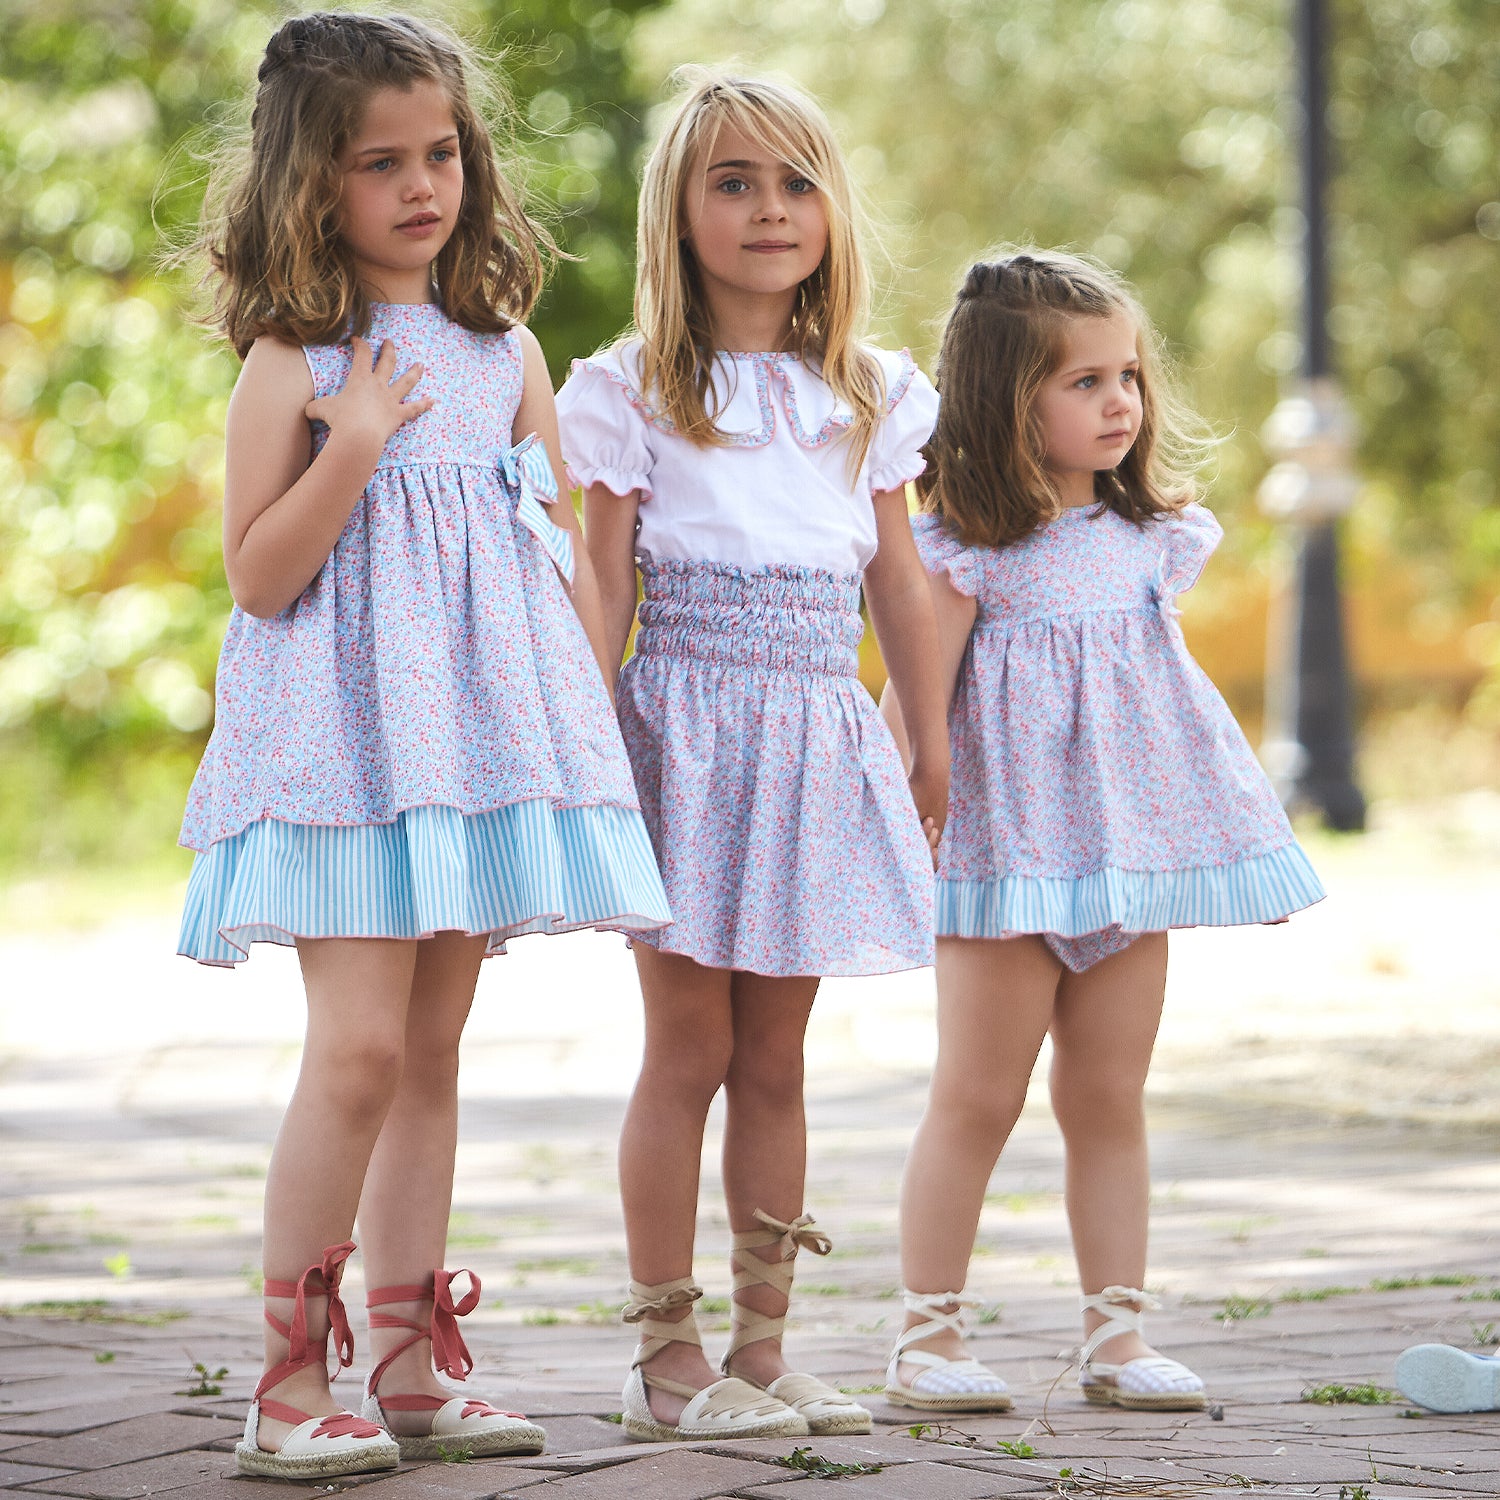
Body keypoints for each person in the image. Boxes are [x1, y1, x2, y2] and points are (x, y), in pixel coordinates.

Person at [175, 12, 669, 1479]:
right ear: (307, 183)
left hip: (477, 748)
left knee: (434, 1053)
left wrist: (583, 722)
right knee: (361, 1050)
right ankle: (283, 1381)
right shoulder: (294, 360)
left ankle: (403, 1362)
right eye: (378, 161)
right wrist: (358, 445)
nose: (420, 185)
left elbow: (553, 554)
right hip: (342, 749)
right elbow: (261, 577)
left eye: (439, 153)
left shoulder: (506, 347)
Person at [555, 69, 949, 1443]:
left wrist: (930, 737)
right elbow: (602, 582)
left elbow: (901, 585)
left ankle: (765, 1345)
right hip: (683, 735)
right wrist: (587, 741)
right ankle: (666, 1356)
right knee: (687, 1045)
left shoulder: (875, 392)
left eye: (795, 182)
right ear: (682, 209)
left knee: (777, 1058)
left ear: (832, 208)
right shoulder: (628, 388)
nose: (769, 210)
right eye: (734, 182)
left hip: (816, 731)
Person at [880, 250, 1326, 1415]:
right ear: (1001, 400)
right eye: (1083, 381)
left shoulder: (1154, 540)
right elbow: (916, 709)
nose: (1119, 399)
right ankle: (927, 1338)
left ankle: (1117, 1339)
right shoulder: (965, 549)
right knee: (978, 1095)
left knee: (1109, 1095)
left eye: (1126, 374)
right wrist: (886, 821)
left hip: (1129, 861)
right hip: (1003, 860)